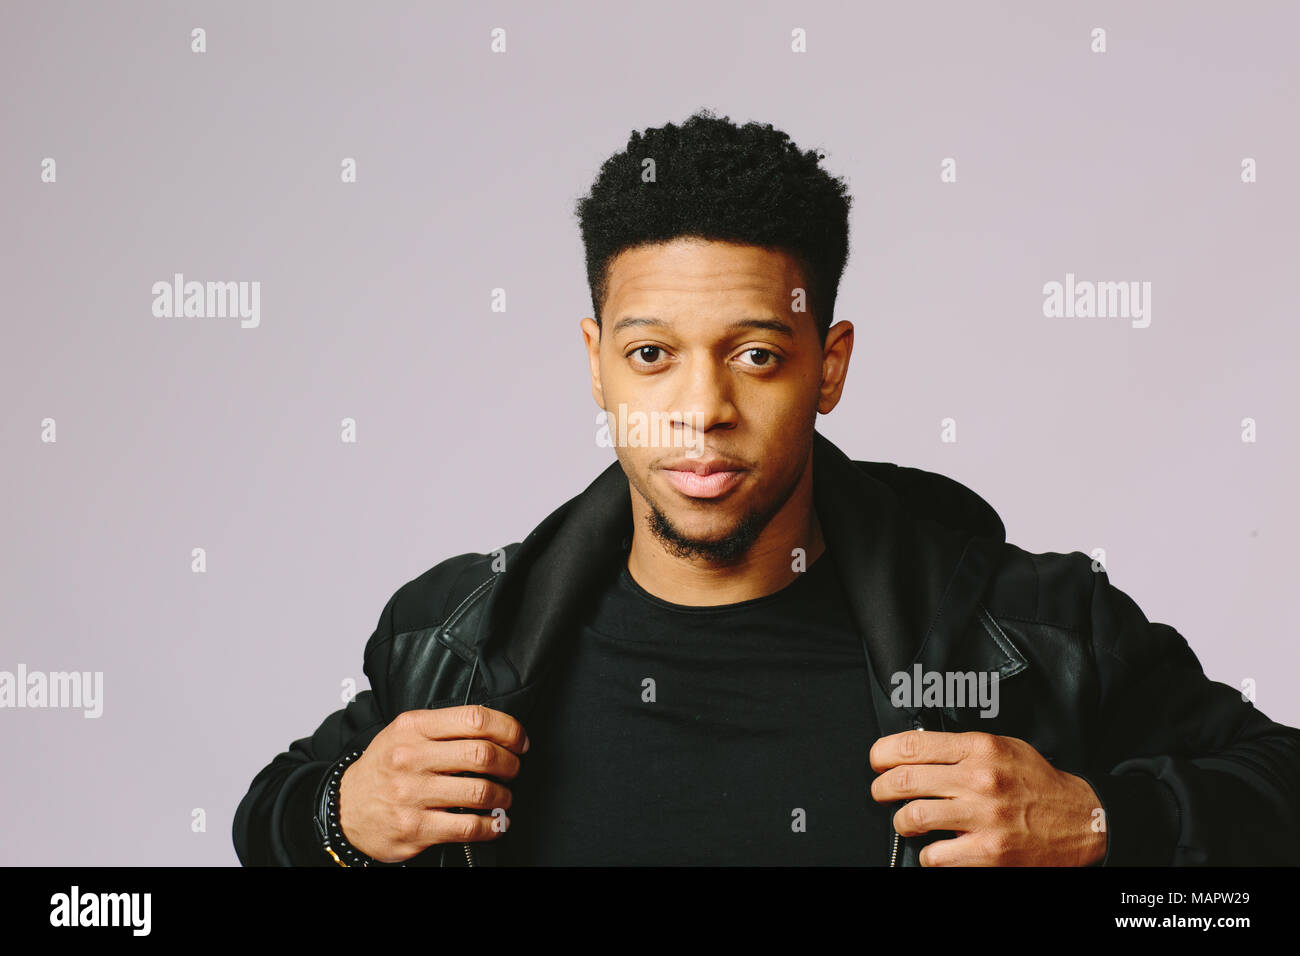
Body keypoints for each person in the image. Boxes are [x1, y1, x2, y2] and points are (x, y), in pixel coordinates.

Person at [232, 109, 1300, 866]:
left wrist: (1107, 828)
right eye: (652, 355)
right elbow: (273, 817)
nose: (701, 409)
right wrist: (339, 815)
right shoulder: (456, 635)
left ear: (827, 364)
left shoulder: (1033, 633)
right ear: (596, 362)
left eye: (754, 354)